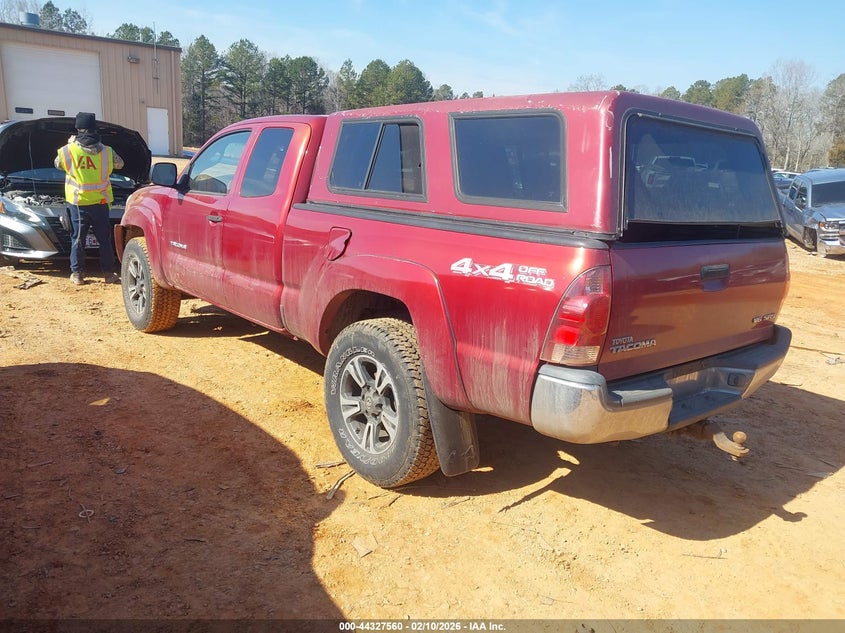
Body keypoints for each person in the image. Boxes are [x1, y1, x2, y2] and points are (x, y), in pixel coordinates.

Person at [55, 112, 124, 285]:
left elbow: (57, 164)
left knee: (78, 239)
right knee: (104, 239)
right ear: (95, 129)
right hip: (101, 203)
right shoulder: (107, 152)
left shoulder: (68, 151)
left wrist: (69, 144)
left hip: (78, 203)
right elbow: (120, 164)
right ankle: (109, 274)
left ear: (78, 130)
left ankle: (77, 274)